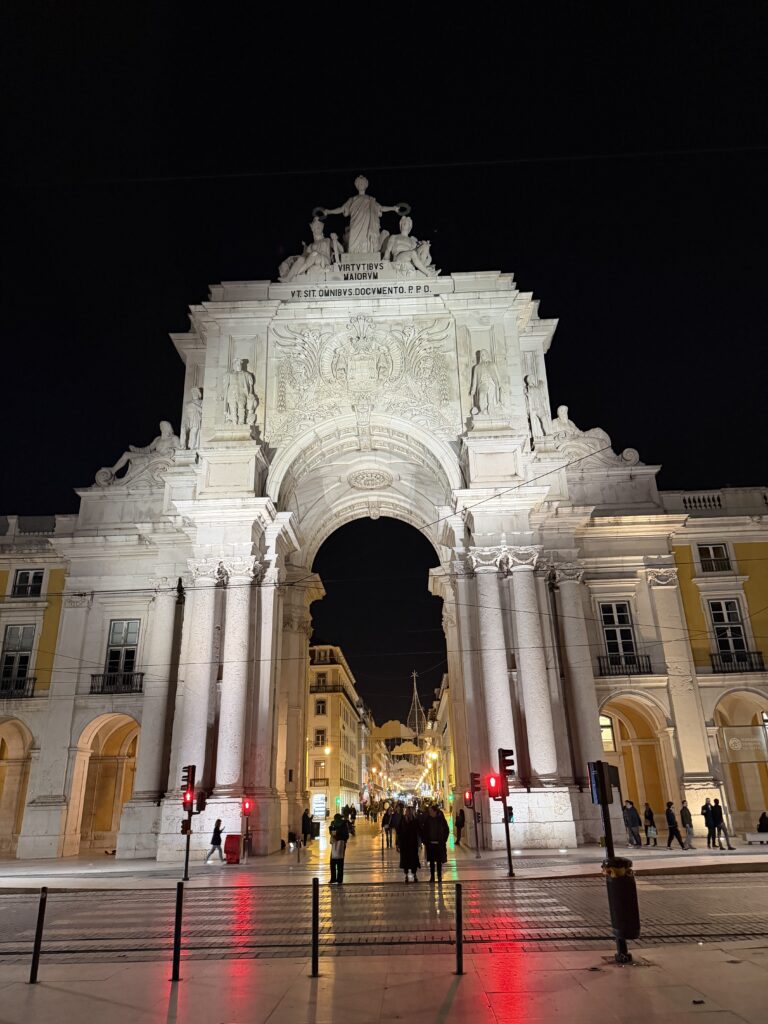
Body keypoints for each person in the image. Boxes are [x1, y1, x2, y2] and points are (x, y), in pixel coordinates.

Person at [323, 175, 401, 253]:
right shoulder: (352, 199)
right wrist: (328, 211)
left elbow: (381, 208)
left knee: (367, 241)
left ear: (366, 185)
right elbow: (341, 209)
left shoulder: (371, 200)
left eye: (362, 183)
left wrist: (393, 208)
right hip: (355, 224)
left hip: (368, 225)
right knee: (353, 241)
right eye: (359, 183)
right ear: (356, 185)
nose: (361, 184)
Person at [422, 805, 450, 883]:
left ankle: (439, 876)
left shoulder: (441, 819)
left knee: (439, 861)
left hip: (439, 844)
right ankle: (432, 877)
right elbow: (424, 831)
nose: (429, 812)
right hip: (430, 844)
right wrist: (425, 841)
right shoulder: (428, 819)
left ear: (435, 811)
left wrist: (443, 840)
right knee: (431, 862)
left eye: (431, 811)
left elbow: (446, 830)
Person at [397, 805, 421, 882]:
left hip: (408, 844)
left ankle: (410, 875)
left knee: (408, 860)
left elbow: (399, 832)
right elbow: (399, 832)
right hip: (409, 844)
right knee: (410, 860)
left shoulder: (412, 820)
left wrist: (398, 843)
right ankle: (411, 875)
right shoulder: (410, 820)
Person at [329, 812, 349, 884]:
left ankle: (333, 878)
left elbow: (331, 833)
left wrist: (334, 835)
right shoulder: (343, 824)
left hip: (335, 844)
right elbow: (346, 836)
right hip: (341, 845)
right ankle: (339, 879)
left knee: (332, 862)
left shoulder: (333, 824)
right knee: (340, 862)